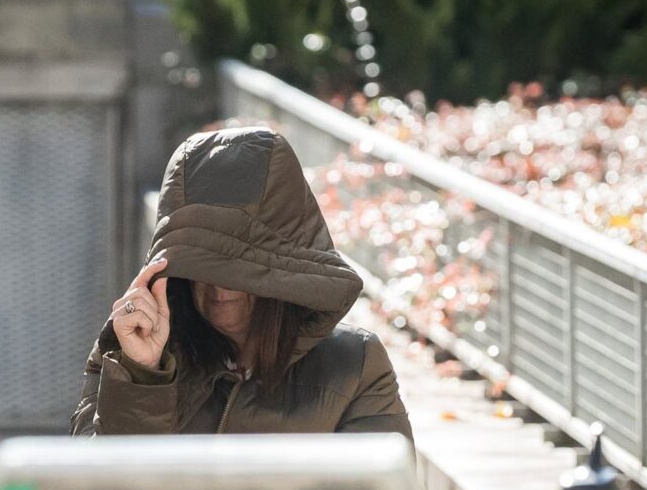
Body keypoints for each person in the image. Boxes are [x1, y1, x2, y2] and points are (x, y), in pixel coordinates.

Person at [70, 126, 414, 443]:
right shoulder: (124, 355)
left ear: (283, 271)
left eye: (243, 270)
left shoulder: (354, 365)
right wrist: (143, 376)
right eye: (204, 265)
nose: (221, 288)